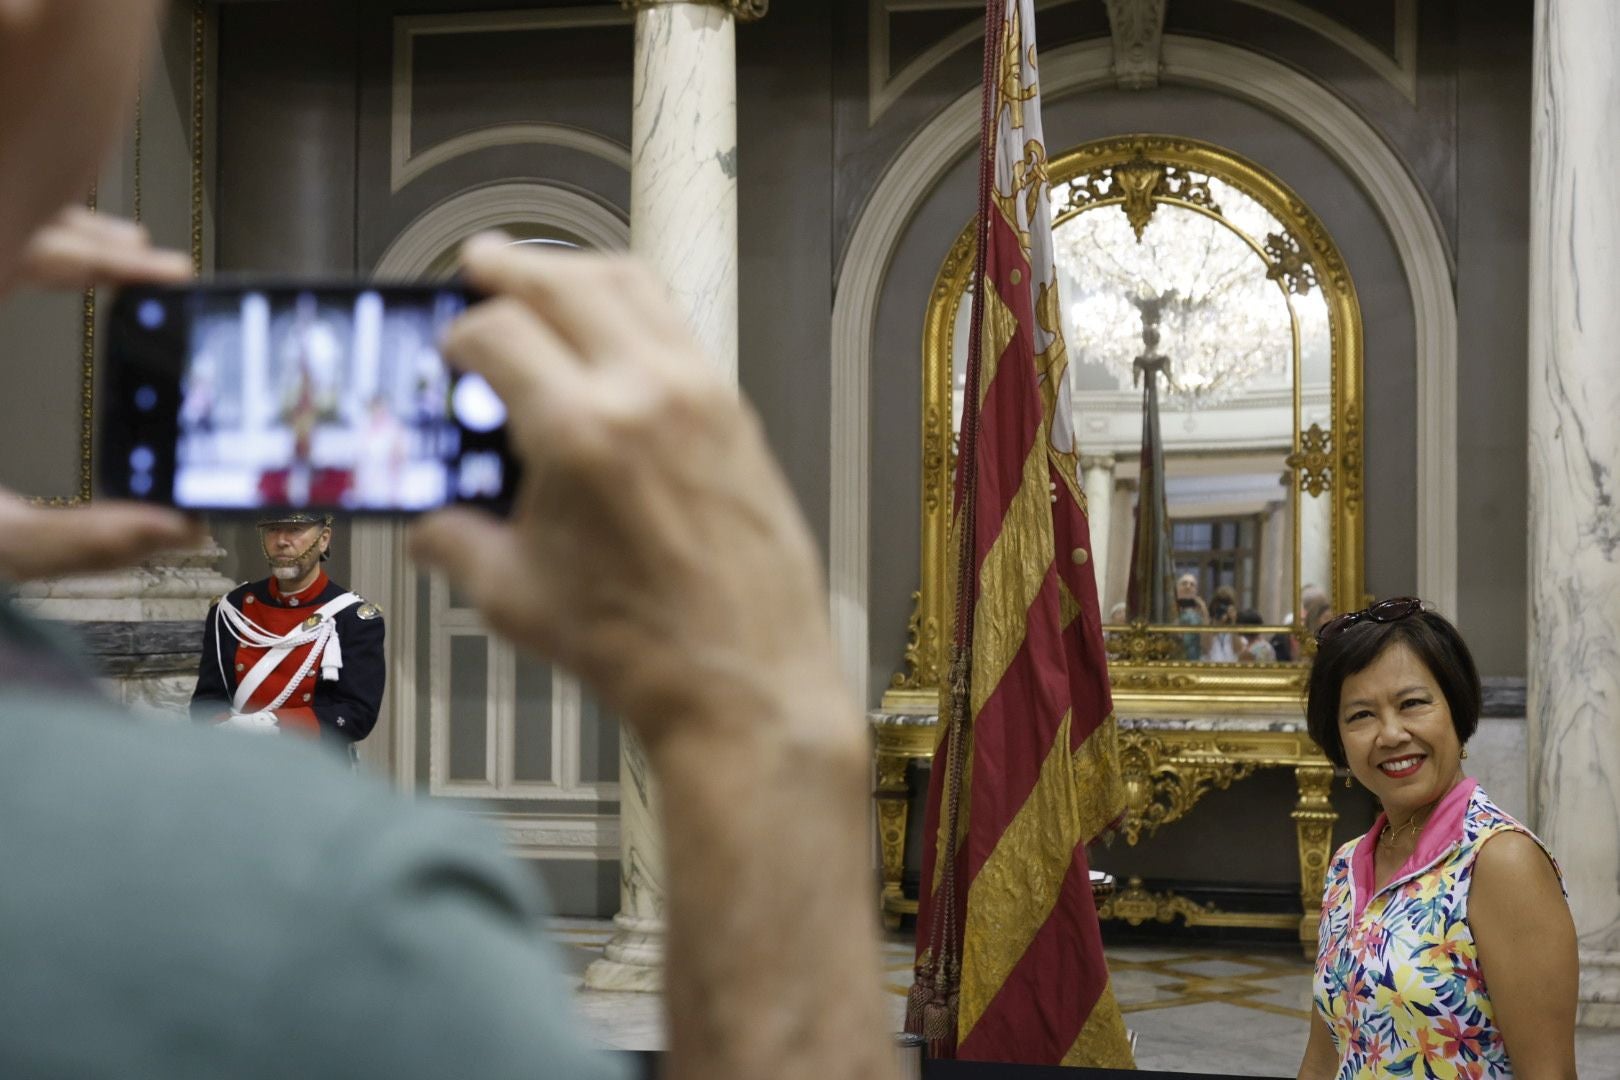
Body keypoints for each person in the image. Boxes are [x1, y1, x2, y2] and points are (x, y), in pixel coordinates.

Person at [0, 6, 897, 1078]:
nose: (282, 538)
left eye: (298, 522)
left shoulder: (345, 626)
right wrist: (766, 721)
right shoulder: (323, 906)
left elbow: (350, 705)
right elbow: (212, 701)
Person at [1296, 598, 1577, 1079]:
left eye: (1412, 704)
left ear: (1455, 709)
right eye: (1361, 715)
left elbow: (1548, 1073)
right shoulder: (1347, 865)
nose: (1390, 734)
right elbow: (1325, 1056)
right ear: (1338, 739)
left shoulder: (1500, 861)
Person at [191, 512, 386, 750]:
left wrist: (272, 722)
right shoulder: (231, 609)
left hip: (312, 767)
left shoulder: (352, 618)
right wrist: (224, 729)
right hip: (239, 761)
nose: (281, 541)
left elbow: (357, 714)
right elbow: (207, 701)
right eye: (273, 529)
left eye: (295, 530)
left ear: (323, 539)